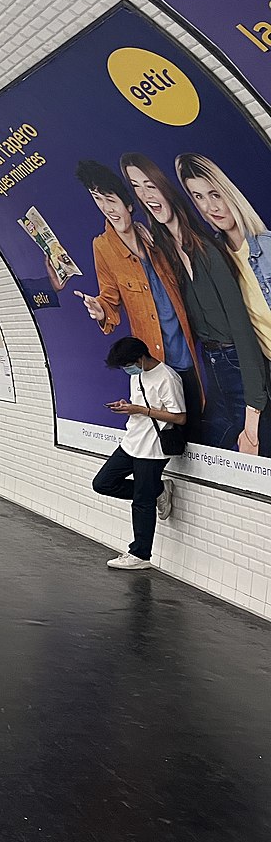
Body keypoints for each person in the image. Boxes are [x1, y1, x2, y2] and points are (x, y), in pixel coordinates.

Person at [73, 162, 199, 437]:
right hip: (153, 354)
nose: (106, 208)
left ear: (128, 204)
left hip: (187, 347)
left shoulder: (154, 233)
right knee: (167, 432)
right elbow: (109, 298)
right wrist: (100, 310)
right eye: (98, 200)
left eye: (110, 199)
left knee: (196, 418)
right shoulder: (102, 246)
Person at [177, 153, 271, 455]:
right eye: (199, 197)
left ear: (230, 193)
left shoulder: (267, 248)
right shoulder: (213, 257)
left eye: (215, 194)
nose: (210, 206)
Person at [93, 337, 185, 570]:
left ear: (140, 358)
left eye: (127, 365)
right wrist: (127, 407)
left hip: (153, 448)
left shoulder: (168, 378)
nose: (127, 370)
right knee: (103, 483)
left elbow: (179, 417)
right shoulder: (138, 374)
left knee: (142, 503)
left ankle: (140, 555)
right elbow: (142, 405)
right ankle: (158, 489)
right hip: (131, 441)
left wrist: (141, 410)